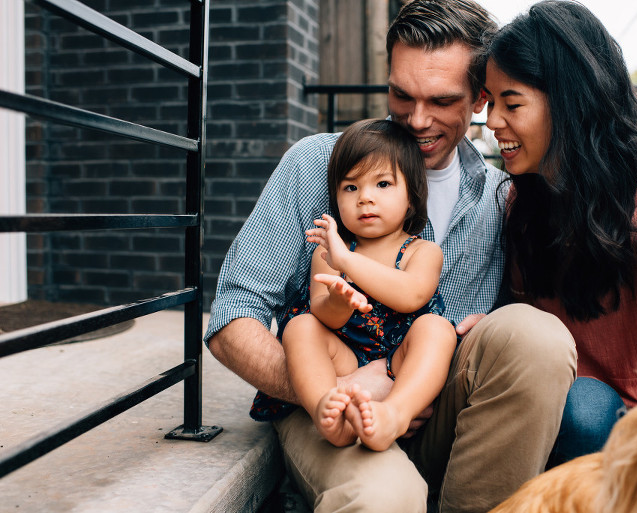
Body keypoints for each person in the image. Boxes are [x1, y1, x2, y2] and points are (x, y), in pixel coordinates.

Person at [206, 1, 577, 511]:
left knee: (536, 336)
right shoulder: (316, 163)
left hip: (439, 406)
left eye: (442, 100)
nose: (417, 120)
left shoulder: (502, 196)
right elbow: (232, 318)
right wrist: (340, 392)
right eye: (402, 94)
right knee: (385, 498)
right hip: (331, 410)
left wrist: (404, 384)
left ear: (480, 98)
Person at [483, 0, 637, 468]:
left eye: (511, 103)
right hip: (563, 427)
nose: (492, 121)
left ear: (569, 103)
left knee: (584, 408)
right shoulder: (522, 204)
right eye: (490, 102)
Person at [268, 118, 457, 452]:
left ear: (411, 197)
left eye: (382, 184)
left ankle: (394, 414)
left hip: (398, 358)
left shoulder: (422, 251)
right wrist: (338, 301)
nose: (365, 198)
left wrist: (346, 262)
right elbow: (324, 316)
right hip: (344, 358)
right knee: (300, 327)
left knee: (437, 329)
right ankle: (329, 411)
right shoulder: (329, 252)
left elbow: (412, 295)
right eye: (350, 187)